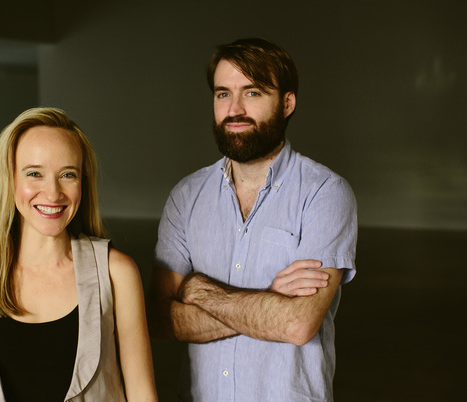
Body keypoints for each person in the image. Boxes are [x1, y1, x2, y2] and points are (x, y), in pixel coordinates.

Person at [150, 38, 357, 401]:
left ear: (287, 103)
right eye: (223, 94)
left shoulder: (325, 193)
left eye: (253, 93)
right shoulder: (186, 196)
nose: (234, 109)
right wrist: (269, 300)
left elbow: (297, 324)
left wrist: (197, 290)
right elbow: (161, 319)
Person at [0, 107, 157, 401]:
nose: (53, 192)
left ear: (83, 183)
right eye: (34, 173)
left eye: (68, 175)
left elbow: (142, 394)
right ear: (8, 180)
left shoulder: (116, 273)